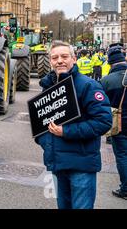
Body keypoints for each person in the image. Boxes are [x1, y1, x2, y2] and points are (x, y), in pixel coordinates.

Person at [36, 41, 112, 209]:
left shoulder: (88, 85)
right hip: (57, 162)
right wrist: (46, 143)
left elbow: (103, 121)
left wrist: (66, 131)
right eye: (55, 57)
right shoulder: (48, 87)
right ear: (50, 61)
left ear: (74, 59)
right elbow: (40, 123)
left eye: (64, 56)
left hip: (81, 165)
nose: (59, 61)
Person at [100, 46, 127, 200]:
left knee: (122, 156)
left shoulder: (106, 81)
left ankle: (125, 189)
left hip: (120, 125)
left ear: (110, 63)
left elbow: (101, 105)